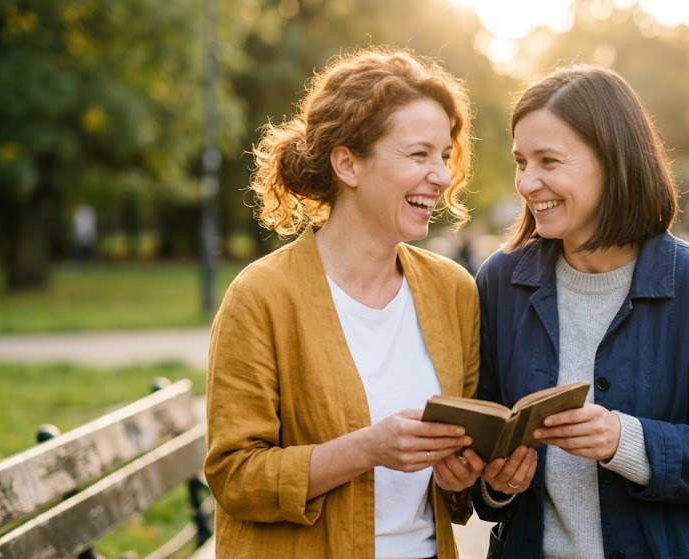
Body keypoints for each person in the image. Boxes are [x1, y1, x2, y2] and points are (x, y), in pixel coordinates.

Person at [472, 66, 689, 559]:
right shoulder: (501, 283)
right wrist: (495, 483)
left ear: (613, 161)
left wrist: (623, 440)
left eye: (549, 161)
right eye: (521, 162)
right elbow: (484, 453)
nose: (527, 183)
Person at [203, 47, 485, 559]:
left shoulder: (454, 291)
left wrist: (462, 476)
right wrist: (367, 449)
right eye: (419, 155)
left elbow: (454, 487)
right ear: (348, 164)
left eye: (444, 156)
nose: (442, 177)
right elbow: (235, 477)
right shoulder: (262, 295)